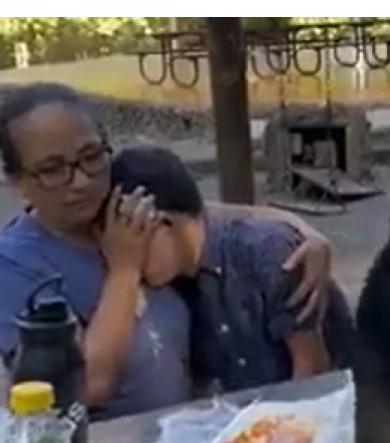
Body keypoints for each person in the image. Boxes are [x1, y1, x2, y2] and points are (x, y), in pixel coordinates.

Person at [0, 83, 335, 418]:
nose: (81, 181)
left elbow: (198, 214)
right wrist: (124, 272)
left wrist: (303, 233)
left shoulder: (118, 206)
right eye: (53, 170)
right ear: (17, 181)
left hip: (187, 440)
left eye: (90, 157)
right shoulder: (17, 265)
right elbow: (88, 385)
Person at [109, 146, 357, 392]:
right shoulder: (173, 284)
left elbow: (311, 371)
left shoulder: (266, 254)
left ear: (161, 222)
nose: (130, 258)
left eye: (135, 241)